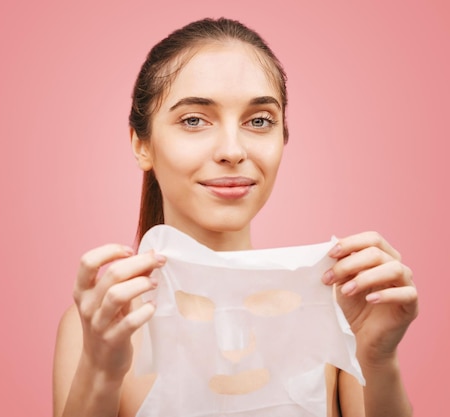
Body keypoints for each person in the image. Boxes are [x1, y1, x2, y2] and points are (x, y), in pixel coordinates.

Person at [52, 17, 418, 417]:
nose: (232, 149)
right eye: (194, 120)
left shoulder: (340, 309)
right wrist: (101, 371)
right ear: (142, 145)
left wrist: (378, 358)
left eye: (258, 121)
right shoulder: (103, 325)